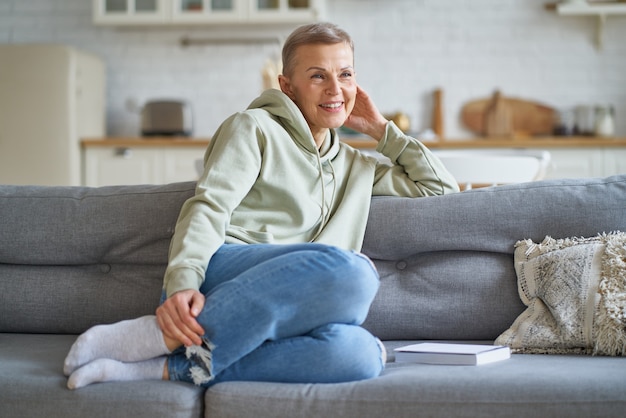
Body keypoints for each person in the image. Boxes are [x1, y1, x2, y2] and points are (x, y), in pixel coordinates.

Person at [63, 22, 459, 390]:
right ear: (287, 87)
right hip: (235, 266)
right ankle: (161, 336)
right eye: (318, 75)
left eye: (345, 74)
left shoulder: (358, 166)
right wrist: (181, 283)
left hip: (299, 294)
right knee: (355, 273)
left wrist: (380, 129)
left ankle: (169, 367)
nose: (335, 88)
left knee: (362, 354)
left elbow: (441, 189)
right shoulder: (252, 128)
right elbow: (209, 206)